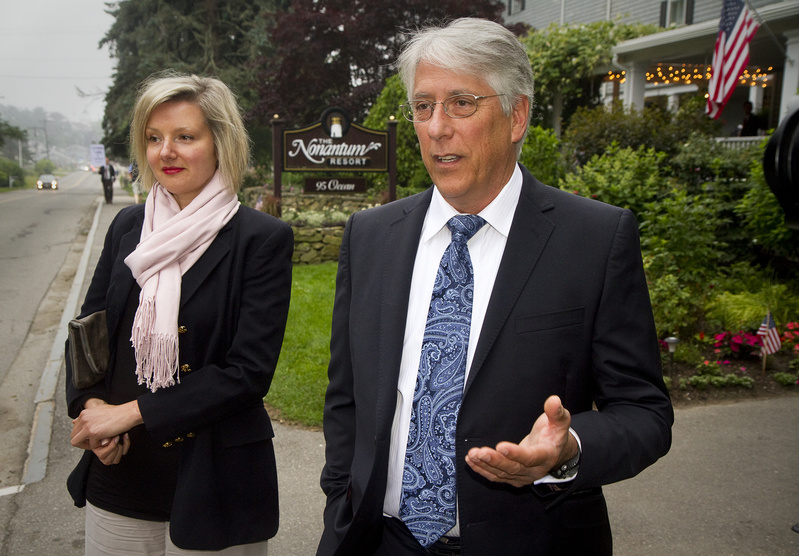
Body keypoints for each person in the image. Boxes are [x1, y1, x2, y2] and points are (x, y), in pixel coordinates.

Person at [317, 18, 673, 556]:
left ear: (516, 116)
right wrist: (339, 506)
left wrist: (567, 448)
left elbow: (644, 412)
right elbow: (347, 400)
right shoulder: (371, 236)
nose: (436, 128)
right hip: (379, 540)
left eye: (461, 103)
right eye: (422, 106)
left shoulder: (594, 239)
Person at [67, 72, 294, 554]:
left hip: (215, 477)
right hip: (122, 473)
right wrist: (93, 414)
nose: (165, 151)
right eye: (154, 138)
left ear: (221, 143)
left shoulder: (260, 239)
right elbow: (90, 332)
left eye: (185, 137)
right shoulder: (129, 225)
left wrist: (127, 415)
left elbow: (247, 372)